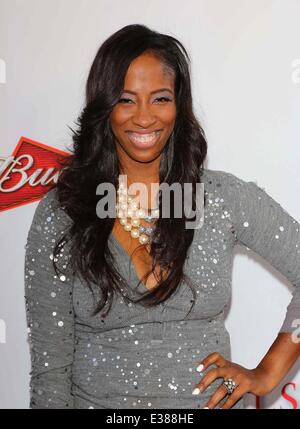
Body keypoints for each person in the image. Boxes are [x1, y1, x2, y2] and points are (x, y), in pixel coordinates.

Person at [24, 24, 300, 409]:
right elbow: (51, 373)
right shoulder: (64, 212)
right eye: (126, 99)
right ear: (104, 107)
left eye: (160, 98)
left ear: (178, 105)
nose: (144, 118)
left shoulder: (221, 199)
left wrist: (268, 372)